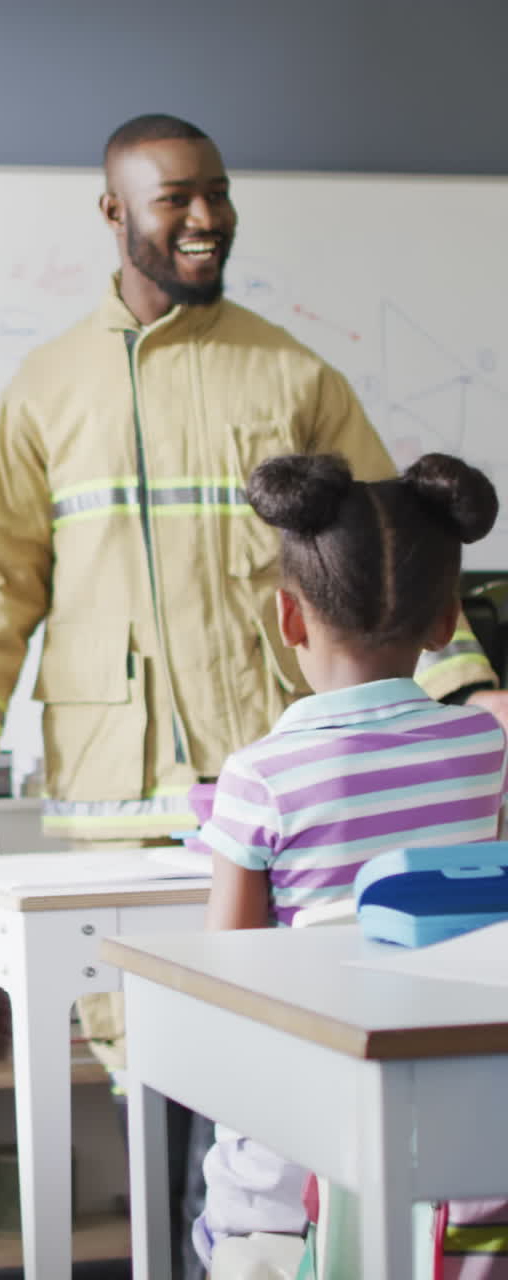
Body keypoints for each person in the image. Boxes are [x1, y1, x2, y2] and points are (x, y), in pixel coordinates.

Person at [0, 114, 503, 1278]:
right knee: (166, 1082)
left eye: (217, 192)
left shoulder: (290, 371)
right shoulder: (44, 392)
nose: (208, 215)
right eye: (176, 197)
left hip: (283, 800)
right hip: (111, 811)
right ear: (114, 211)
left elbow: (392, 552)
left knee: (277, 1084)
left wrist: (471, 683)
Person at [191, 450, 508, 1276]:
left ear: (288, 619)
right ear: (447, 623)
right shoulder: (486, 749)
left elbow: (231, 976)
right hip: (462, 1144)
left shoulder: (258, 776)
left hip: (301, 1157)